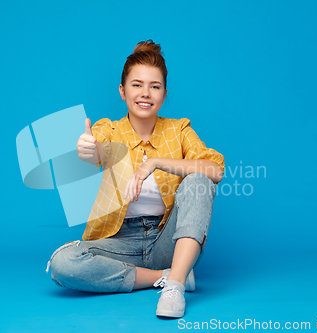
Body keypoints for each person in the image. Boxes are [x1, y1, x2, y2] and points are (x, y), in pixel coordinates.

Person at [46, 39, 225, 318]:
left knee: (199, 179)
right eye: (137, 85)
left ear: (164, 94)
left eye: (155, 86)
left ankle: (174, 286)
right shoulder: (110, 129)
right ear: (122, 91)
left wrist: (154, 162)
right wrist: (89, 149)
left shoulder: (179, 130)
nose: (145, 93)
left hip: (170, 239)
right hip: (120, 242)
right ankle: (163, 276)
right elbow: (99, 148)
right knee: (63, 263)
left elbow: (216, 170)